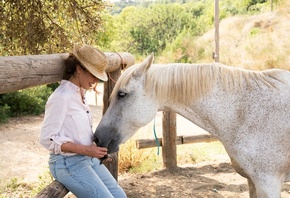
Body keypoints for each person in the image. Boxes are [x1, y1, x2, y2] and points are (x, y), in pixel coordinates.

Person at [39, 44, 127, 198]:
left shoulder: (81, 93)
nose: (96, 80)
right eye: (93, 74)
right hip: (67, 163)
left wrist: (95, 148)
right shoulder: (61, 97)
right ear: (79, 69)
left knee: (120, 196)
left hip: (87, 159)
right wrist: (86, 150)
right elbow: (47, 139)